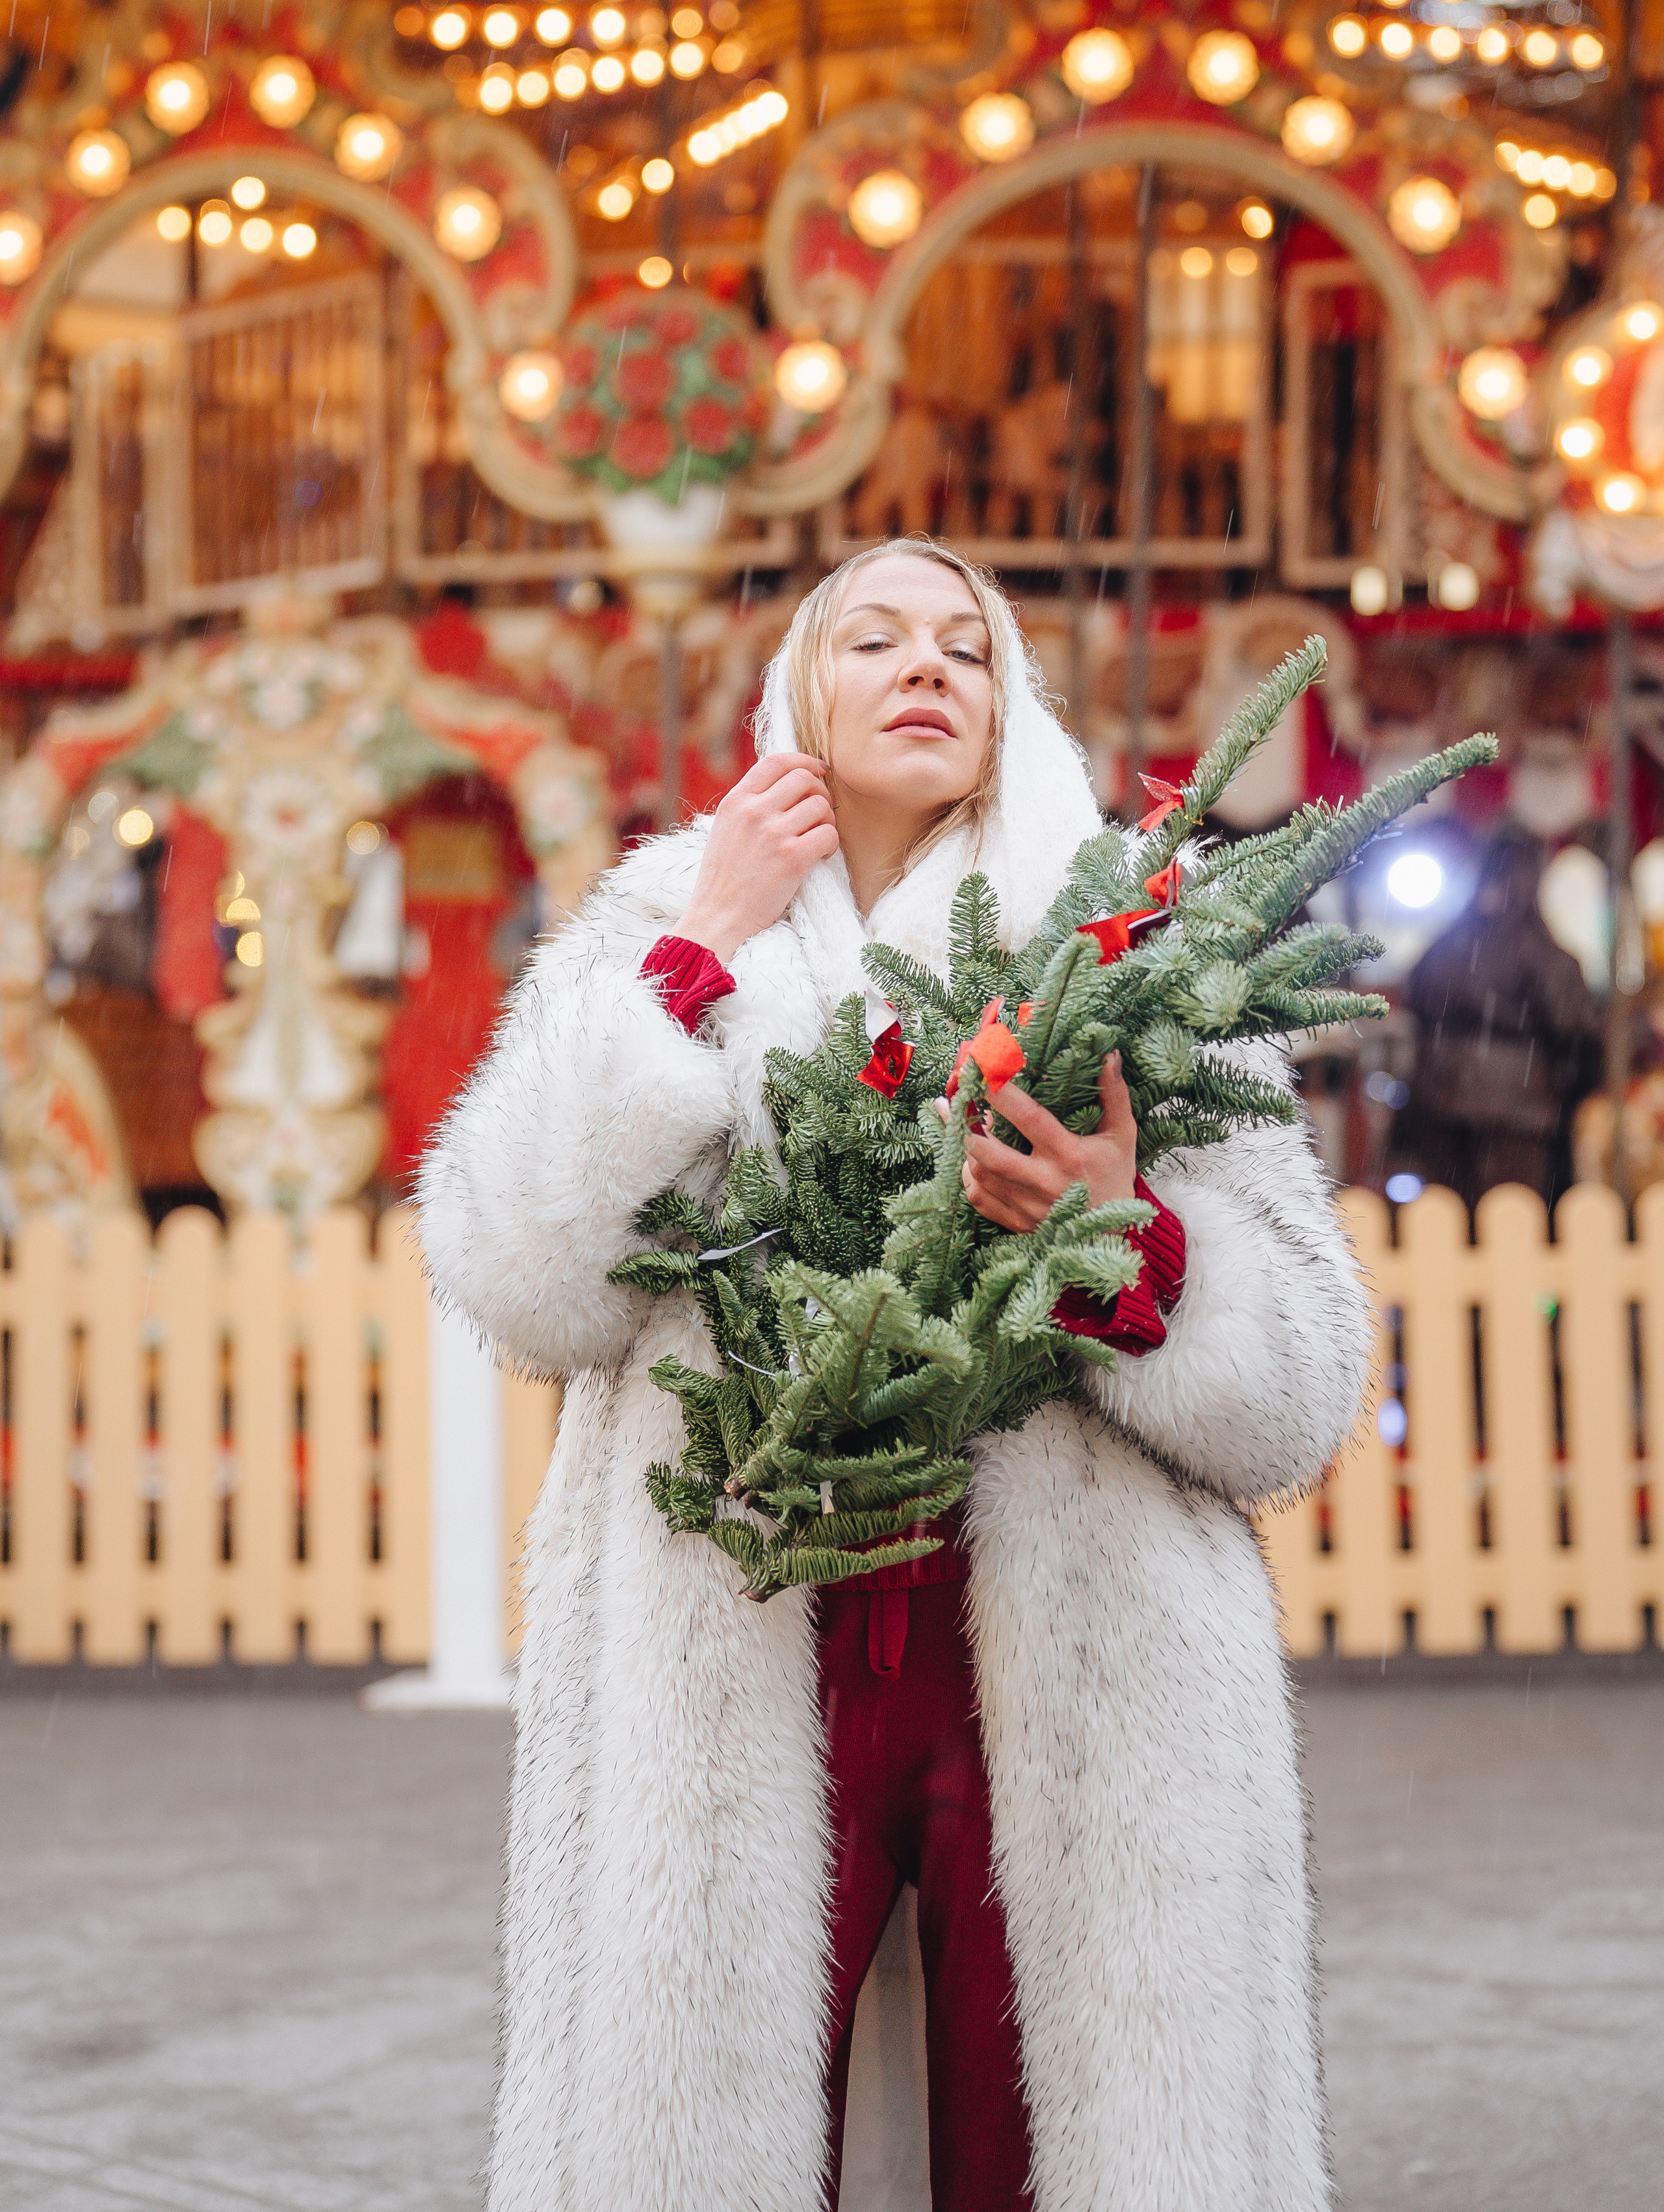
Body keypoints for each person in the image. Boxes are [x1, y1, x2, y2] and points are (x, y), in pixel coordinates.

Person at [419, 540, 1372, 2212]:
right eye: (873, 640)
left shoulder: (1131, 944)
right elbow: (511, 1270)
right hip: (736, 1617)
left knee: (1051, 2141)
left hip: (1078, 1645)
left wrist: (1126, 1245)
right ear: (803, 692)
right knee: (714, 2130)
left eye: (965, 646)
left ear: (1004, 707)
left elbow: (1294, 1381)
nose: (924, 667)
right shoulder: (656, 918)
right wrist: (697, 954)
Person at [1400, 828, 1602, 1208]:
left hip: (1440, 1103)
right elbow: (1578, 1026)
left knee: (1448, 1223)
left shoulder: (1447, 946)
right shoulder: (1540, 950)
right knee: (1511, 1221)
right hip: (1517, 1114)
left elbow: (1415, 995)